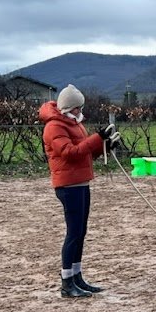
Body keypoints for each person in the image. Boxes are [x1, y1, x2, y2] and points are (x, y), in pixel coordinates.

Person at [39, 84, 120, 298]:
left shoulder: (74, 124)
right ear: (69, 107)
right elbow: (69, 153)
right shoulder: (54, 127)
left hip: (81, 182)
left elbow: (83, 153)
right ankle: (67, 282)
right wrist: (96, 139)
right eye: (77, 107)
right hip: (68, 185)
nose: (80, 111)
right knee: (73, 233)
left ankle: (77, 276)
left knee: (80, 232)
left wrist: (104, 146)